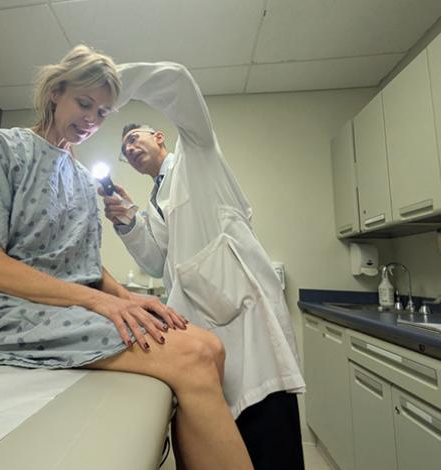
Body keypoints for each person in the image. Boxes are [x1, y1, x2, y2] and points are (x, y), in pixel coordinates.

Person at [0, 45, 253, 470]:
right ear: (55, 92)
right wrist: (99, 301)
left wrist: (127, 297)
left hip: (67, 309)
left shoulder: (79, 176)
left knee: (212, 346)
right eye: (84, 103)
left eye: (103, 112)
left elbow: (85, 265)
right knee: (195, 356)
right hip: (10, 313)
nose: (92, 119)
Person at [101, 61, 306, 469]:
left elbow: (177, 82)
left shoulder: (196, 153)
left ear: (160, 137)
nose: (130, 149)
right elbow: (158, 263)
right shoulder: (157, 202)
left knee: (267, 440)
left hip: (244, 324)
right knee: (221, 446)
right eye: (124, 150)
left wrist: (103, 86)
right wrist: (127, 221)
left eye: (135, 138)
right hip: (199, 331)